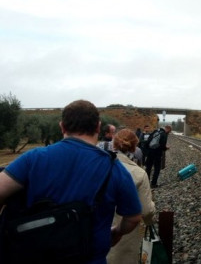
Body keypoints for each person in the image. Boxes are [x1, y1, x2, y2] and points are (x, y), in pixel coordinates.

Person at [0, 99, 142, 264]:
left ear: (62, 126)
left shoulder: (33, 158)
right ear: (98, 126)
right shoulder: (114, 168)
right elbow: (133, 217)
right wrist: (117, 231)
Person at [107, 129, 155, 264]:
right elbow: (146, 211)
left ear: (113, 144)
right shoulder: (139, 173)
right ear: (135, 148)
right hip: (124, 236)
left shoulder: (97, 165)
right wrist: (151, 217)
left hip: (94, 234)